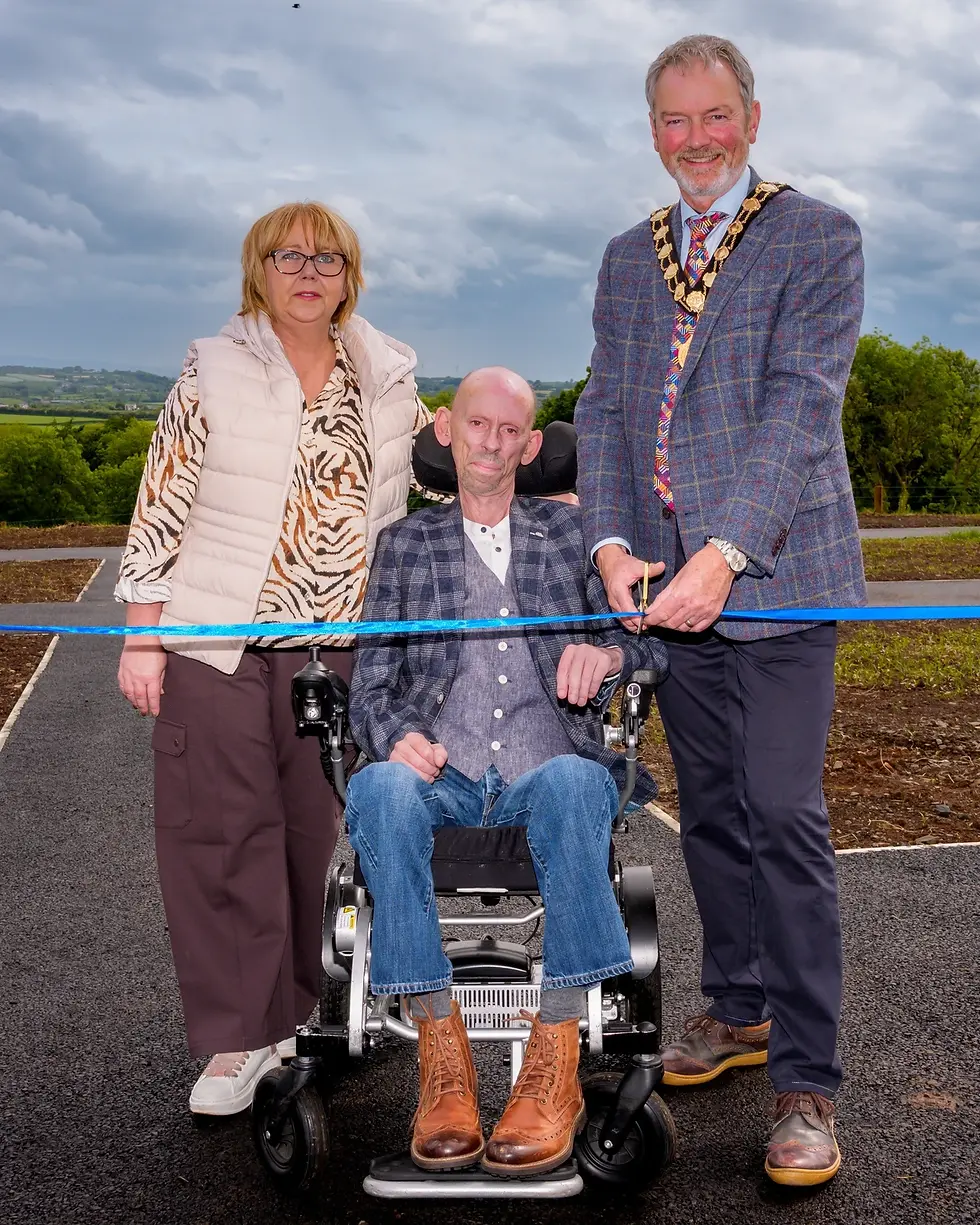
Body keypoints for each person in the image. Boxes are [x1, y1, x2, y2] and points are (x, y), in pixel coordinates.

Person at [574, 35, 866, 1187]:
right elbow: (601, 408)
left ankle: (805, 1083)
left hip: (778, 581)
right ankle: (736, 1009)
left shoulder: (817, 236)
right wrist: (606, 540)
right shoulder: (621, 256)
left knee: (784, 819)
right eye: (672, 121)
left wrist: (724, 548)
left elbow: (801, 407)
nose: (693, 139)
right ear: (652, 129)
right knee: (707, 818)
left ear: (751, 116)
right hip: (659, 594)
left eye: (714, 117)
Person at [115, 201, 433, 1115]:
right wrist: (143, 632)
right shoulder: (213, 365)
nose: (309, 270)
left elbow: (429, 468)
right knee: (220, 831)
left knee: (302, 834)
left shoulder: (385, 371)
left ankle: (292, 1010)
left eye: (327, 257)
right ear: (258, 269)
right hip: (218, 640)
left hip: (334, 646)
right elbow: (161, 499)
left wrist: (539, 480)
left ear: (350, 274)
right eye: (288, 255)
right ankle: (238, 1039)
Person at [345, 367, 667, 1176]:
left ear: (530, 445)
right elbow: (371, 687)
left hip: (545, 769)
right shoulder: (404, 545)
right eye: (477, 424)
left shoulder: (577, 537)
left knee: (568, 780)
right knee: (377, 786)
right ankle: (441, 1056)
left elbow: (650, 646)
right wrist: (394, 739)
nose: (492, 442)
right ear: (448, 429)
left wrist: (608, 651)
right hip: (442, 778)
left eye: (510, 430)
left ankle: (554, 1058)